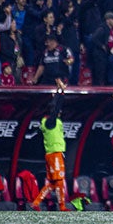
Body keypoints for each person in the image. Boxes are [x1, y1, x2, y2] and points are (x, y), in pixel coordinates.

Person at [31, 79, 71, 212]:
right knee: (59, 181)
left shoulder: (48, 122)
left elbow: (55, 108)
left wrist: (59, 92)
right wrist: (61, 92)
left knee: (53, 183)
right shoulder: (50, 121)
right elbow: (56, 107)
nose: (60, 113)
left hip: (52, 154)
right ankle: (62, 206)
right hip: (54, 154)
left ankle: (36, 203)